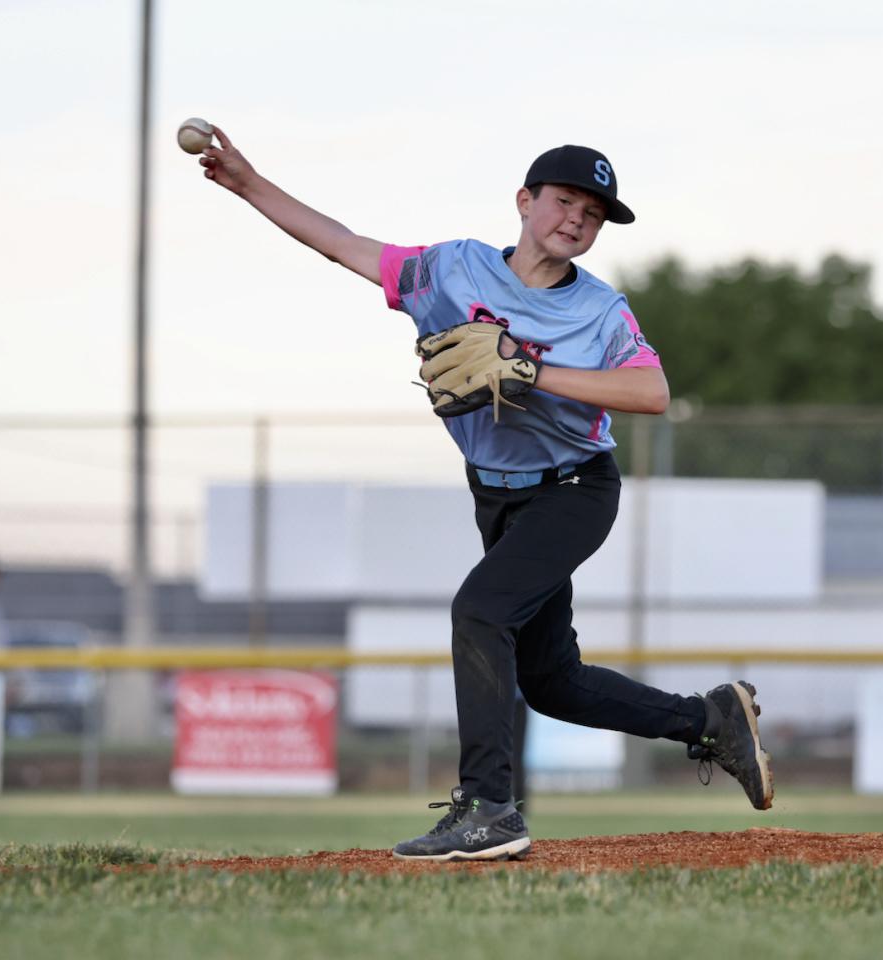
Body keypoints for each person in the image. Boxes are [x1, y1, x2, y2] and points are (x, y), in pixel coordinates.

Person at [198, 132, 774, 862]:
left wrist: (529, 369)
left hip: (573, 489)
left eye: (594, 214)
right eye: (566, 200)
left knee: (479, 611)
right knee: (552, 683)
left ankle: (489, 808)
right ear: (526, 200)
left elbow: (651, 391)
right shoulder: (452, 269)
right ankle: (711, 720)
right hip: (496, 498)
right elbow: (343, 244)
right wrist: (250, 184)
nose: (577, 219)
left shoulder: (599, 311)